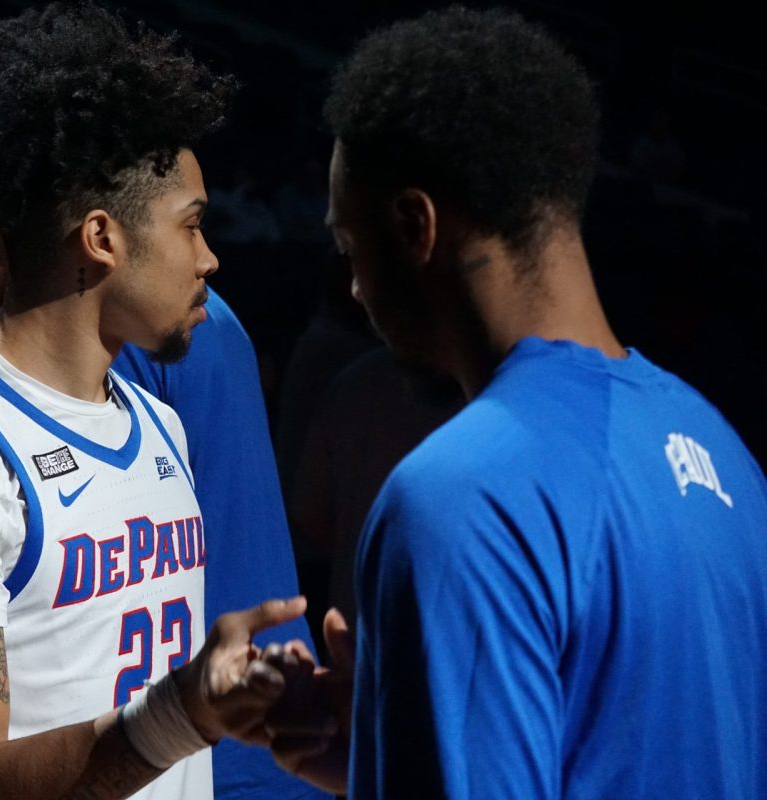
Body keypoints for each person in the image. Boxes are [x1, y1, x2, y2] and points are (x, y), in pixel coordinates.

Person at [263, 8, 767, 799]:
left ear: (413, 225)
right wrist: (386, 754)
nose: (356, 289)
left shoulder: (457, 499)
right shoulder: (724, 454)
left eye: (350, 249)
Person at [0, 5, 306, 799]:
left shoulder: (157, 421)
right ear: (101, 238)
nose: (210, 257)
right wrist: (183, 713)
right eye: (191, 226)